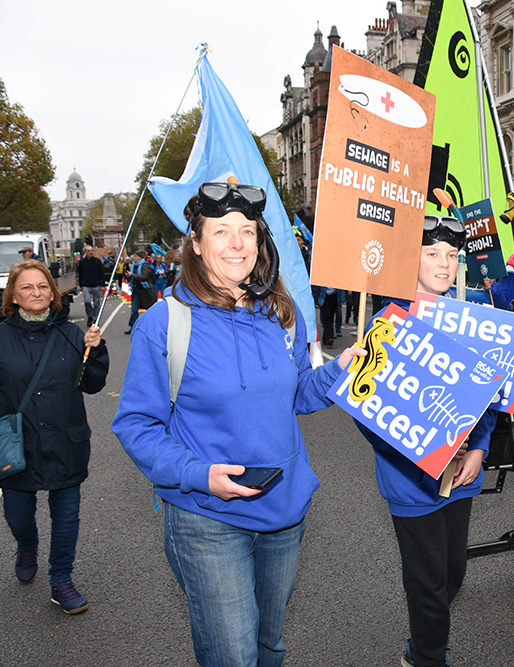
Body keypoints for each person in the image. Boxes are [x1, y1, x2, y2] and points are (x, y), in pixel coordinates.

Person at [112, 181, 363, 666]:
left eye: (247, 231)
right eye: (221, 231)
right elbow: (137, 425)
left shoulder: (283, 315)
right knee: (233, 656)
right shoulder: (164, 323)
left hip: (283, 512)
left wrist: (340, 370)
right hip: (206, 515)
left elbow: (298, 397)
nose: (236, 243)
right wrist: (197, 474)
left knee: (270, 644)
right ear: (196, 242)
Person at [355, 215, 496, 667]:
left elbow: (490, 394)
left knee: (453, 572)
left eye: (452, 255)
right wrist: (422, 452)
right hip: (412, 481)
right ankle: (427, 658)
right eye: (432, 253)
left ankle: (423, 645)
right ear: (408, 258)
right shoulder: (386, 322)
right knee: (429, 581)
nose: (444, 264)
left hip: (462, 474)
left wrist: (479, 447)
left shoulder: (469, 318)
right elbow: (367, 412)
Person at [0, 260, 108, 614]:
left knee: (66, 516)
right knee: (18, 516)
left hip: (66, 441)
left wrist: (96, 349)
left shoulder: (72, 334)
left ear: (53, 292)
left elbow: (92, 385)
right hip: (16, 446)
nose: (36, 293)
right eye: (27, 287)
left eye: (43, 286)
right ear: (13, 295)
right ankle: (26, 546)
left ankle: (61, 580)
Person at [124, 253, 156, 334]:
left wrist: (132, 275)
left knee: (148, 309)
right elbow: (130, 278)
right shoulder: (133, 266)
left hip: (145, 291)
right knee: (134, 309)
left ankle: (151, 326)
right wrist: (128, 275)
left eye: (135, 256)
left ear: (139, 257)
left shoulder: (145, 266)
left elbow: (144, 277)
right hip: (136, 290)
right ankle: (133, 326)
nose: (133, 257)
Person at [77, 251, 105, 327]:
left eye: (92, 250)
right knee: (87, 301)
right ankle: (90, 316)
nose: (91, 252)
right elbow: (80, 274)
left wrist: (102, 284)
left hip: (96, 284)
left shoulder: (97, 261)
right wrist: (81, 285)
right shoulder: (82, 262)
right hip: (86, 285)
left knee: (96, 302)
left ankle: (96, 318)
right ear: (85, 252)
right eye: (88, 251)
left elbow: (102, 273)